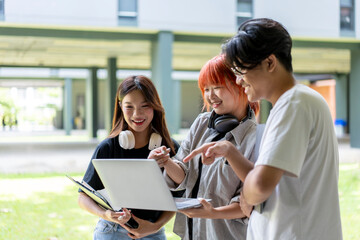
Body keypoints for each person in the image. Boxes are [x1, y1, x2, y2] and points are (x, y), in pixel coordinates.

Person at [183, 18, 343, 240]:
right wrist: (230, 151)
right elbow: (267, 178)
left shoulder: (293, 103)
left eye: (241, 69)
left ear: (269, 63)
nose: (238, 80)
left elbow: (259, 186)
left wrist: (248, 197)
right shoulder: (298, 101)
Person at [149, 54, 259, 240]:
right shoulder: (201, 123)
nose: (210, 96)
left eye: (217, 87)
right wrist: (166, 162)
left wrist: (212, 212)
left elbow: (247, 203)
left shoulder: (255, 137)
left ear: (241, 84)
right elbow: (183, 173)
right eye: (206, 89)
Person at [78, 75, 179, 240]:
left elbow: (178, 198)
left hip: (153, 232)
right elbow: (83, 197)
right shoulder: (107, 148)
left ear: (155, 106)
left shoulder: (168, 149)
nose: (137, 114)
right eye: (129, 107)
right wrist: (106, 214)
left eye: (144, 106)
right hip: (112, 231)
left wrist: (155, 226)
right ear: (120, 107)